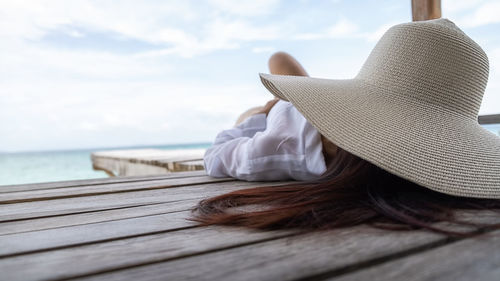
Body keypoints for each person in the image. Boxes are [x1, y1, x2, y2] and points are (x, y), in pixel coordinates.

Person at [195, 19, 500, 236]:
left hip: (285, 115)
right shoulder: (433, 169)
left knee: (278, 65)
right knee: (281, 64)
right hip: (302, 108)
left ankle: (271, 104)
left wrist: (257, 118)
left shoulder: (287, 145)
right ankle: (281, 99)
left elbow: (217, 154)